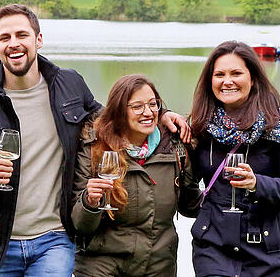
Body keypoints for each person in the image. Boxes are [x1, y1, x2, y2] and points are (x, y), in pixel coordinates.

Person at [0, 4, 190, 276]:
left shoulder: (70, 85)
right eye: (5, 37)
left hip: (55, 239)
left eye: (22, 35)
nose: (14, 43)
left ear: (38, 39)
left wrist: (161, 114)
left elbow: (109, 119)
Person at [189, 41, 280, 276]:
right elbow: (186, 182)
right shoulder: (201, 126)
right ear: (210, 81)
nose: (227, 81)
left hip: (270, 251)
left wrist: (256, 183)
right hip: (214, 247)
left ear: (253, 79)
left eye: (236, 73)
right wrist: (164, 116)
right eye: (219, 74)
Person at [71, 74, 202, 276]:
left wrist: (229, 194)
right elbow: (80, 226)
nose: (147, 112)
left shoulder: (175, 147)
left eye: (153, 104)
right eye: (137, 107)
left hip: (158, 266)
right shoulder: (94, 147)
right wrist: (90, 202)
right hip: (102, 266)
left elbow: (190, 205)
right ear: (119, 111)